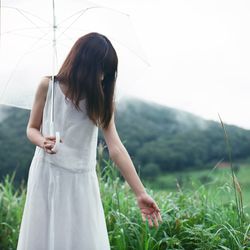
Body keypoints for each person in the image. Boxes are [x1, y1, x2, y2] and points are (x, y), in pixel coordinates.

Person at [16, 32, 162, 250]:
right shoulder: (48, 86)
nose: (103, 77)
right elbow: (31, 128)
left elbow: (116, 149)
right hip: (47, 174)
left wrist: (140, 193)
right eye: (100, 69)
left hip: (81, 181)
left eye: (107, 72)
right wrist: (41, 141)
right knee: (44, 237)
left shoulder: (102, 100)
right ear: (83, 62)